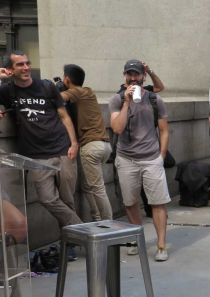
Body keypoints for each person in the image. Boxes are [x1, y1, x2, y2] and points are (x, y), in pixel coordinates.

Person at [0, 51, 83, 235]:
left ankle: (69, 243)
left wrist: (74, 144)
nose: (26, 67)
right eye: (20, 65)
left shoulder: (46, 86)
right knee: (47, 199)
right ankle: (82, 231)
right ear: (10, 70)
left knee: (67, 201)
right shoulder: (7, 91)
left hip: (63, 150)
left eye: (27, 63)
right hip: (36, 156)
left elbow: (64, 116)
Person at [109, 59, 171, 262]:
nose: (133, 78)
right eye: (130, 74)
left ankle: (161, 245)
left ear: (143, 76)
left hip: (151, 158)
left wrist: (161, 156)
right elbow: (117, 128)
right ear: (124, 76)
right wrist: (127, 102)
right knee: (130, 202)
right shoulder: (117, 99)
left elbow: (164, 130)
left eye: (137, 74)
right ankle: (137, 238)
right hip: (126, 159)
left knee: (158, 203)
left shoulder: (154, 99)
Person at [59, 64, 113, 221]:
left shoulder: (77, 91)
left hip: (91, 147)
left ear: (67, 79)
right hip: (104, 146)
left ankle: (108, 224)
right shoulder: (88, 92)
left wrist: (53, 89)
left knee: (97, 188)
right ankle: (97, 219)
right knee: (88, 186)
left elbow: (59, 99)